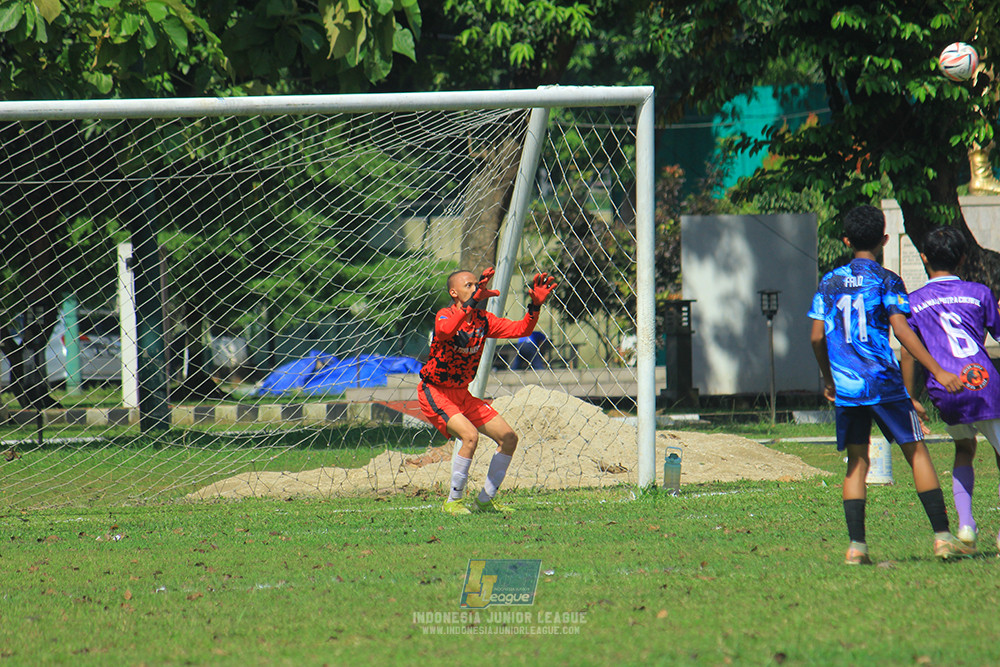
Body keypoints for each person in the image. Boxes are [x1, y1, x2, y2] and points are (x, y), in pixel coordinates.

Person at [807, 204, 972, 564]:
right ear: (884, 239)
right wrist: (937, 370)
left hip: (848, 387)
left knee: (857, 461)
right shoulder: (887, 280)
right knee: (916, 452)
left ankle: (856, 547)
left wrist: (829, 378)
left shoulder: (829, 282)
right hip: (884, 384)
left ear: (846, 240)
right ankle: (943, 538)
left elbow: (817, 336)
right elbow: (901, 331)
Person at [418, 267, 556, 515]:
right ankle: (453, 501)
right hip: (435, 392)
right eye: (469, 285)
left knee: (509, 438)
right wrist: (471, 303)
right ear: (454, 293)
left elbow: (522, 330)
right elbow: (445, 331)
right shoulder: (445, 315)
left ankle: (484, 501)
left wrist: (534, 306)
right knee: (470, 436)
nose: (476, 288)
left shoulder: (483, 321)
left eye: (477, 284)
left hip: (462, 395)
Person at [900, 226, 1000, 552]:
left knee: (964, 448)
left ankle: (966, 524)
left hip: (945, 387)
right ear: (962, 258)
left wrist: (910, 395)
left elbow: (908, 350)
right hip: (983, 384)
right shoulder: (979, 292)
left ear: (924, 258)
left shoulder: (914, 301)